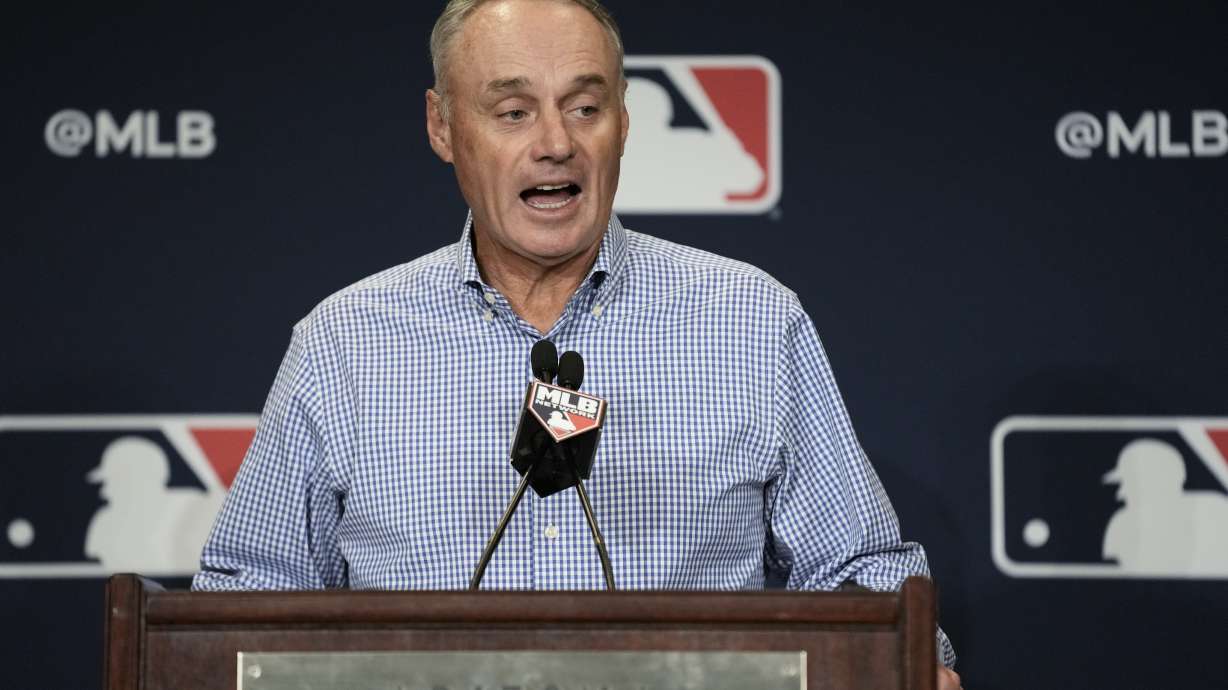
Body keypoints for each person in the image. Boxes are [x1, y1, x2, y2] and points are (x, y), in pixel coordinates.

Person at [193, 0, 960, 686]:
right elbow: (244, 602)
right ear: (442, 127)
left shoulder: (751, 320)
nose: (555, 143)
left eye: (585, 107)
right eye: (513, 111)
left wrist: (910, 659)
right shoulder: (345, 344)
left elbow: (859, 575)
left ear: (622, 121)